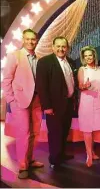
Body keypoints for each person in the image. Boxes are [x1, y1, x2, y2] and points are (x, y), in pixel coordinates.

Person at [2, 29, 44, 179]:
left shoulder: (37, 58)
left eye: (33, 39)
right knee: (24, 133)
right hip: (20, 101)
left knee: (34, 132)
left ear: (36, 40)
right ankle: (22, 166)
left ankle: (30, 159)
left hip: (36, 100)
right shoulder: (15, 56)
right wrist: (11, 100)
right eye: (28, 39)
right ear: (23, 39)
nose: (31, 42)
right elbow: (6, 80)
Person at [36, 36, 76, 169]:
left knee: (64, 131)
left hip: (68, 103)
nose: (61, 49)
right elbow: (42, 86)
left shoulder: (70, 62)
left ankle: (61, 154)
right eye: (58, 46)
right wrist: (46, 106)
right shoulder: (44, 62)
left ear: (67, 48)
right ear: (53, 47)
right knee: (54, 133)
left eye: (63, 46)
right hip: (53, 106)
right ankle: (54, 159)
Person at [78, 46, 100, 167]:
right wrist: (85, 85)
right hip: (86, 102)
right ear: (83, 58)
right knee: (87, 129)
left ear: (94, 56)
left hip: (98, 101)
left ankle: (92, 152)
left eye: (90, 55)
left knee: (93, 128)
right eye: (86, 55)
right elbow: (80, 86)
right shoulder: (82, 69)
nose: (88, 57)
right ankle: (88, 155)